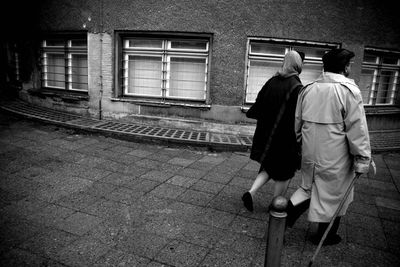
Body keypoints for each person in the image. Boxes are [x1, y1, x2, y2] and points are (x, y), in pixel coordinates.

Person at [286, 48, 374, 246]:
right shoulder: (349, 91)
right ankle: (325, 236)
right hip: (337, 156)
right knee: (336, 195)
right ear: (344, 67)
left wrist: (302, 143)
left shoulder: (308, 89)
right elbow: (357, 130)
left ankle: (280, 222)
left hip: (310, 152)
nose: (350, 67)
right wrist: (362, 159)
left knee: (307, 189)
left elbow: (297, 122)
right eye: (349, 64)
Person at [242, 50, 305, 212]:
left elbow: (259, 103)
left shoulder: (272, 81)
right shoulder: (298, 87)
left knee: (269, 167)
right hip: (286, 139)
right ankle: (275, 206)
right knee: (285, 172)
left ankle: (251, 192)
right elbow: (299, 117)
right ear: (298, 65)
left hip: (267, 136)